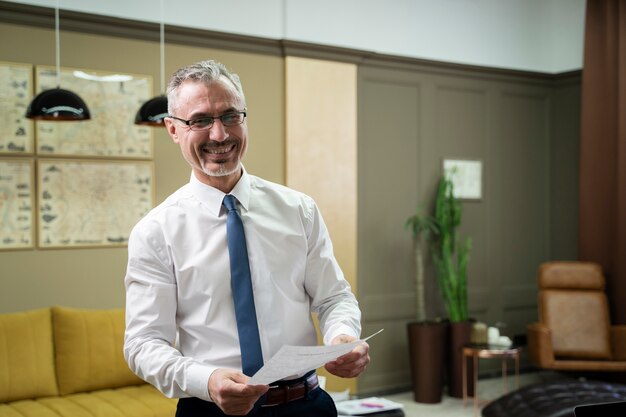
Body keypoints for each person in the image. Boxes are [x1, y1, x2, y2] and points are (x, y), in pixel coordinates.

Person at [123, 59, 369, 417]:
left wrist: (342, 337)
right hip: (210, 410)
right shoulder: (155, 231)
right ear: (173, 129)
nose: (219, 135)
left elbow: (334, 298)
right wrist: (206, 380)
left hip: (308, 406)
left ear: (244, 118)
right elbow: (143, 344)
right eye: (200, 120)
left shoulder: (299, 209)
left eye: (230, 116)